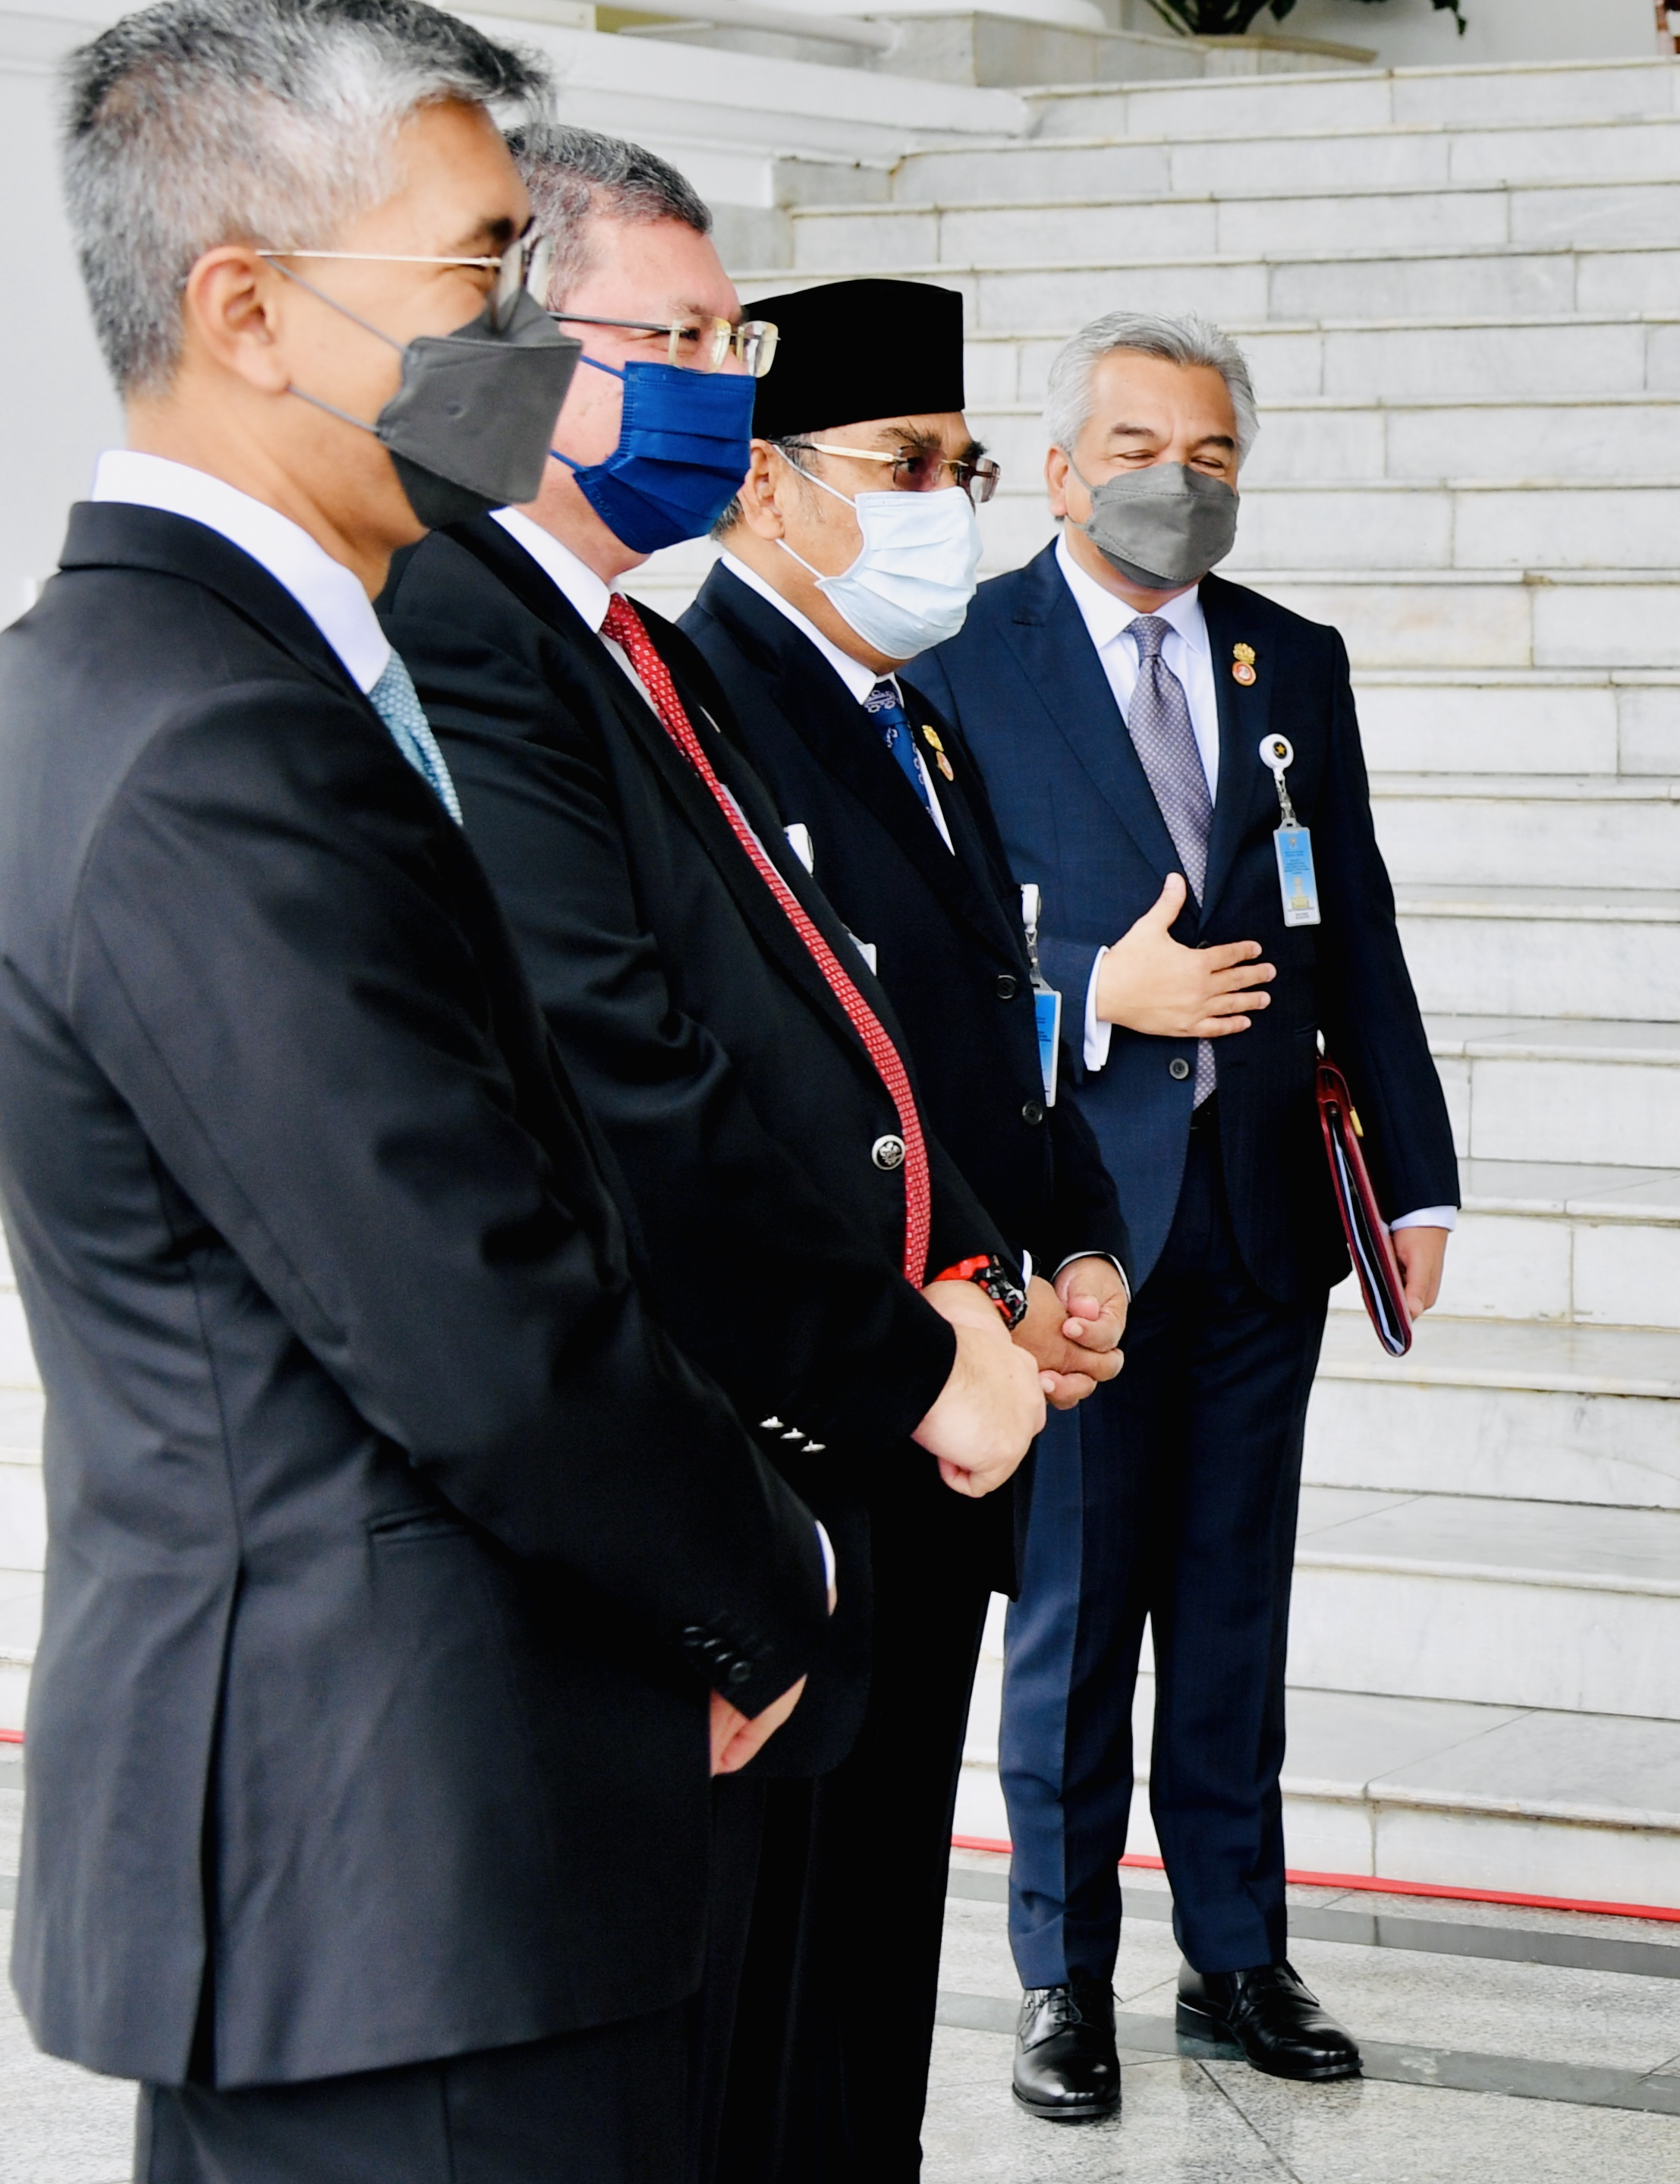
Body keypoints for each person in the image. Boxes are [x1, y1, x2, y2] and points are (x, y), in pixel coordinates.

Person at [5, 0, 829, 2182]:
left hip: (415, 1849)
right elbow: (472, 1315)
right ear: (249, 307)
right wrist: (764, 1575)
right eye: (477, 274)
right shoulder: (207, 740)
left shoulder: (209, 671)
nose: (527, 347)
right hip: (393, 1854)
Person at [378, 126, 1081, 2181]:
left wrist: (979, 1280)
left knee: (790, 2059)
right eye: (672, 337)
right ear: (518, 350)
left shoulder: (634, 644)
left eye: (726, 334)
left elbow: (821, 1018)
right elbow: (628, 1077)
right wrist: (904, 1356)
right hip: (696, 1464)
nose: (718, 379)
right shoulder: (465, 633)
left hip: (810, 1440)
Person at [904, 308, 1460, 2118]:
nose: (1176, 480)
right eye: (1139, 444)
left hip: (1260, 1218)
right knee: (1072, 1608)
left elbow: (1352, 920)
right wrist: (1088, 990)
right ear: (1059, 468)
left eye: (1211, 453)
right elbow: (923, 952)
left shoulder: (1288, 660)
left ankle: (1236, 1950)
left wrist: (1417, 1166)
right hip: (1077, 1231)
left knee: (1233, 1603)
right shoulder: (958, 660)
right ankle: (1061, 1972)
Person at [679, 273, 1137, 2180]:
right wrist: (941, 1314)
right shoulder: (703, 705)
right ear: (768, 488)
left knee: (874, 1938)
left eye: (960, 464)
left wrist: (1081, 1241)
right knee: (768, 1966)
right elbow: (741, 1093)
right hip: (820, 1422)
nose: (948, 501)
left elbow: (986, 1029)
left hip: (955, 1417)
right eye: (902, 465)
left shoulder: (908, 720)